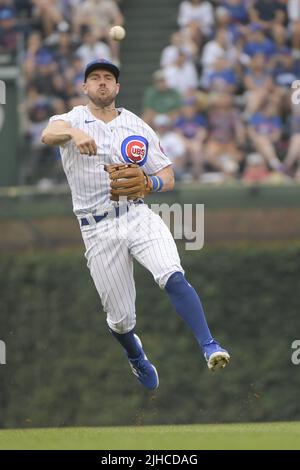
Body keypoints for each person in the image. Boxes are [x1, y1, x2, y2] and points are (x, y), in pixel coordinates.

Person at [41, 59, 230, 391]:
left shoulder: (137, 125)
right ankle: (135, 355)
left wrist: (148, 183)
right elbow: (47, 135)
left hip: (136, 213)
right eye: (95, 78)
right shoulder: (69, 119)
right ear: (85, 87)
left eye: (108, 78)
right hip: (96, 228)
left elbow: (168, 176)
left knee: (170, 272)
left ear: (117, 88)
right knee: (121, 318)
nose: (101, 83)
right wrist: (73, 132)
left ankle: (209, 345)